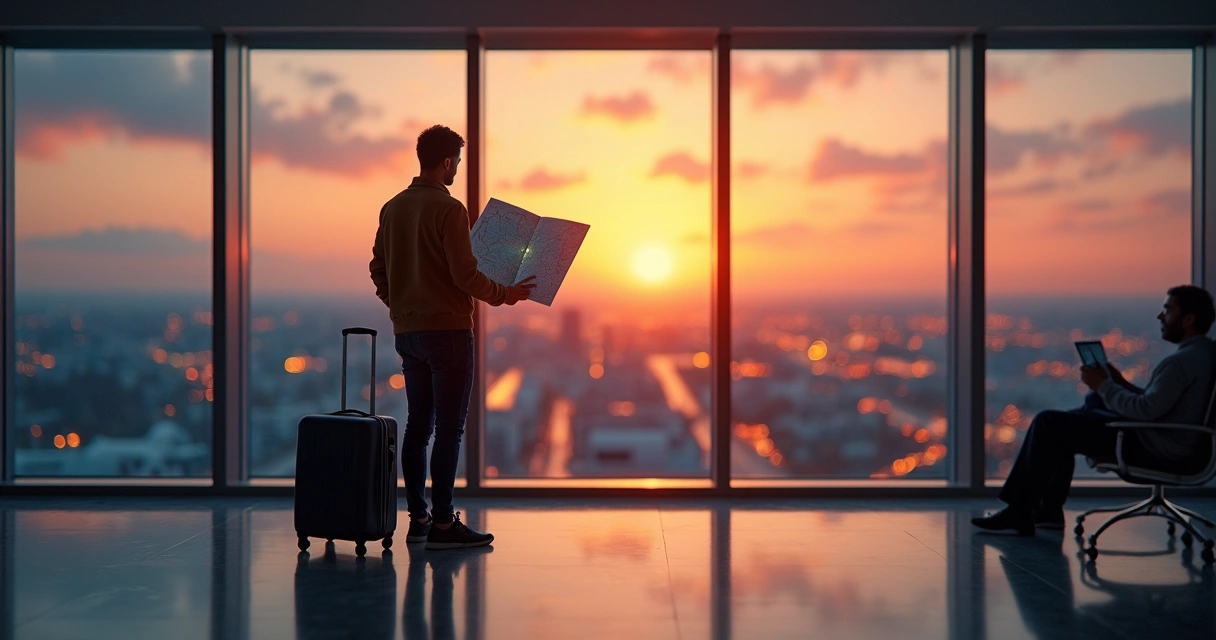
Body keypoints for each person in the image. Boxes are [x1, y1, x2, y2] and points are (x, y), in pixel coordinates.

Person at [369, 125, 535, 549]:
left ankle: (419, 518)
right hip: (449, 333)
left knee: (417, 427)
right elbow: (465, 275)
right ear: (446, 161)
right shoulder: (450, 209)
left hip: (408, 333)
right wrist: (506, 296)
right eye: (457, 162)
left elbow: (378, 269)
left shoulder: (392, 208)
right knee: (449, 429)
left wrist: (401, 306)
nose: (457, 169)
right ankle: (444, 523)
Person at [973, 285, 1216, 535]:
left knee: (1049, 423)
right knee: (1065, 424)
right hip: (1173, 441)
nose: (1160, 317)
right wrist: (1120, 384)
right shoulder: (1205, 354)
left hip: (1153, 445)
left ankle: (1022, 512)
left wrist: (1105, 386)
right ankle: (1045, 512)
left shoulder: (1178, 363)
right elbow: (1161, 405)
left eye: (1168, 310)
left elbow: (1145, 411)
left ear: (1188, 319)